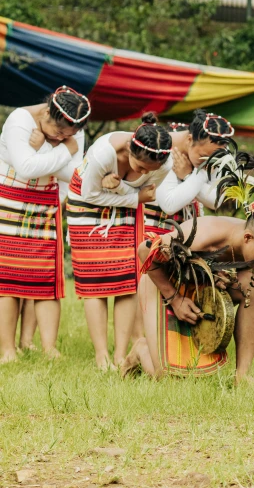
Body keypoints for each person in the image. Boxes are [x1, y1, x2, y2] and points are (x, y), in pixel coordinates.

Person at [127, 161, 254, 382]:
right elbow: (145, 250)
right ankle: (141, 349)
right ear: (248, 238)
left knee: (253, 286)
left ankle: (242, 375)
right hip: (162, 283)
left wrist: (212, 276)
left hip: (200, 287)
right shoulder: (203, 235)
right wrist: (175, 299)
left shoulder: (252, 244)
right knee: (167, 378)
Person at [66, 113, 173, 370]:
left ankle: (120, 354)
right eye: (140, 166)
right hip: (86, 208)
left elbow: (148, 194)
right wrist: (131, 196)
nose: (145, 172)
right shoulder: (103, 153)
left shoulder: (164, 164)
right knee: (95, 281)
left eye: (150, 170)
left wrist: (116, 189)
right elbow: (90, 194)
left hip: (124, 208)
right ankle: (102, 354)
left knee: (125, 280)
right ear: (129, 148)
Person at [0, 86, 90, 362]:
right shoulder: (19, 121)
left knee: (46, 280)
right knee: (8, 281)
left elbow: (74, 174)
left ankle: (44, 346)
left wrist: (41, 152)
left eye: (68, 136)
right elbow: (25, 168)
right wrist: (65, 150)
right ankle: (7, 350)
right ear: (48, 110)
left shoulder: (75, 132)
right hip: (8, 203)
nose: (61, 137)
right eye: (57, 131)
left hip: (47, 207)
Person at [144, 111, 233, 236]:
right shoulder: (165, 147)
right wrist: (200, 175)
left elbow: (215, 200)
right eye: (203, 156)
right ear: (190, 140)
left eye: (214, 159)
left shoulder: (218, 150)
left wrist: (189, 175)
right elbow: (169, 204)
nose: (207, 163)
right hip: (152, 230)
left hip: (188, 231)